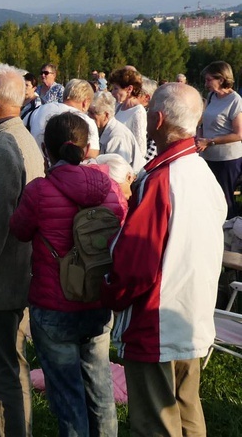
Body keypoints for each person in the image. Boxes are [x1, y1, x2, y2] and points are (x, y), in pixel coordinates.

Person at [102, 83, 226, 436]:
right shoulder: (203, 175)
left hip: (156, 322)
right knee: (187, 412)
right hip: (193, 314)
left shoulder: (160, 180)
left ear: (157, 118)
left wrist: (110, 291)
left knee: (154, 421)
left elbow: (136, 263)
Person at [10, 113, 126, 437]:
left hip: (54, 304)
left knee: (66, 393)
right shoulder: (111, 189)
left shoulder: (39, 191)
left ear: (46, 149)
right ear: (88, 148)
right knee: (99, 385)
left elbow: (18, 230)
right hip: (97, 298)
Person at [0, 63, 44, 437]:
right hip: (17, 275)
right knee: (8, 368)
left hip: (0, 284)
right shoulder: (18, 136)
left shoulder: (2, 147)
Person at [196, 61, 242, 219]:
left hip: (227, 159)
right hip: (208, 156)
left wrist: (210, 141)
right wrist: (199, 134)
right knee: (210, 196)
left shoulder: (235, 100)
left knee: (225, 198)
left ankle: (229, 233)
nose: (205, 84)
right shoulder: (211, 96)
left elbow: (238, 134)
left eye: (209, 80)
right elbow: (203, 121)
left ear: (221, 79)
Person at [28, 79, 100, 159]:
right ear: (85, 102)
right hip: (65, 169)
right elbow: (91, 155)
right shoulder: (86, 121)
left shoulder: (39, 110)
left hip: (34, 163)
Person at [88, 90, 143, 173]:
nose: (88, 116)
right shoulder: (102, 129)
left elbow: (118, 173)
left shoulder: (117, 137)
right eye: (88, 112)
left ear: (106, 115)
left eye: (92, 113)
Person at [110, 67, 147, 157]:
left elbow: (140, 149)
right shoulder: (119, 106)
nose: (112, 92)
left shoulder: (138, 112)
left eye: (116, 88)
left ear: (129, 89)